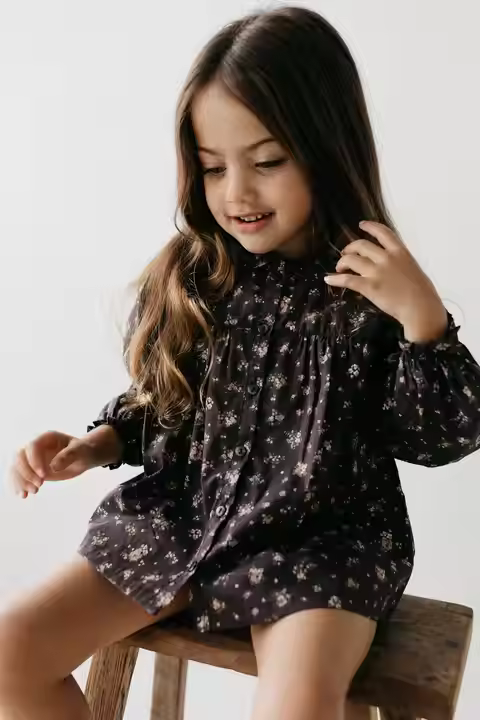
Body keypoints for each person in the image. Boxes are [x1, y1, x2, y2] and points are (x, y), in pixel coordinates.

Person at [1, 5, 479, 720]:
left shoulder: (372, 289)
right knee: (11, 651)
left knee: (298, 706)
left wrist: (425, 324)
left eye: (267, 162)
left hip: (319, 546)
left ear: (327, 148)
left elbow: (439, 439)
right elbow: (166, 402)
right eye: (213, 168)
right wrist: (95, 444)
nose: (237, 194)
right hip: (184, 517)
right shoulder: (196, 274)